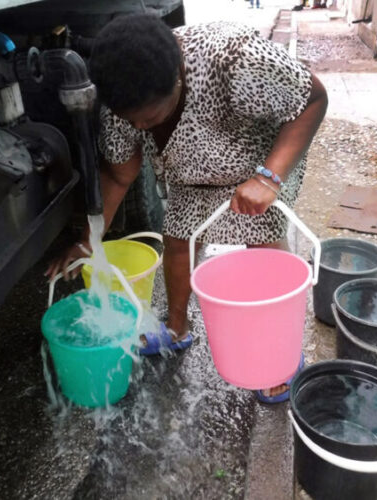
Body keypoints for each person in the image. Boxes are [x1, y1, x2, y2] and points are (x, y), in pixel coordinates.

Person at [46, 14, 328, 403]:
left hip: (260, 166)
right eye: (134, 122)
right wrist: (88, 240)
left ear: (179, 75)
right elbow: (119, 175)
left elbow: (312, 100)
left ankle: (277, 356)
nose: (141, 127)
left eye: (152, 117)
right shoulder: (122, 100)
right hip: (192, 174)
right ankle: (177, 328)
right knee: (177, 239)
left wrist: (268, 178)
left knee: (264, 247)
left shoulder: (235, 59)